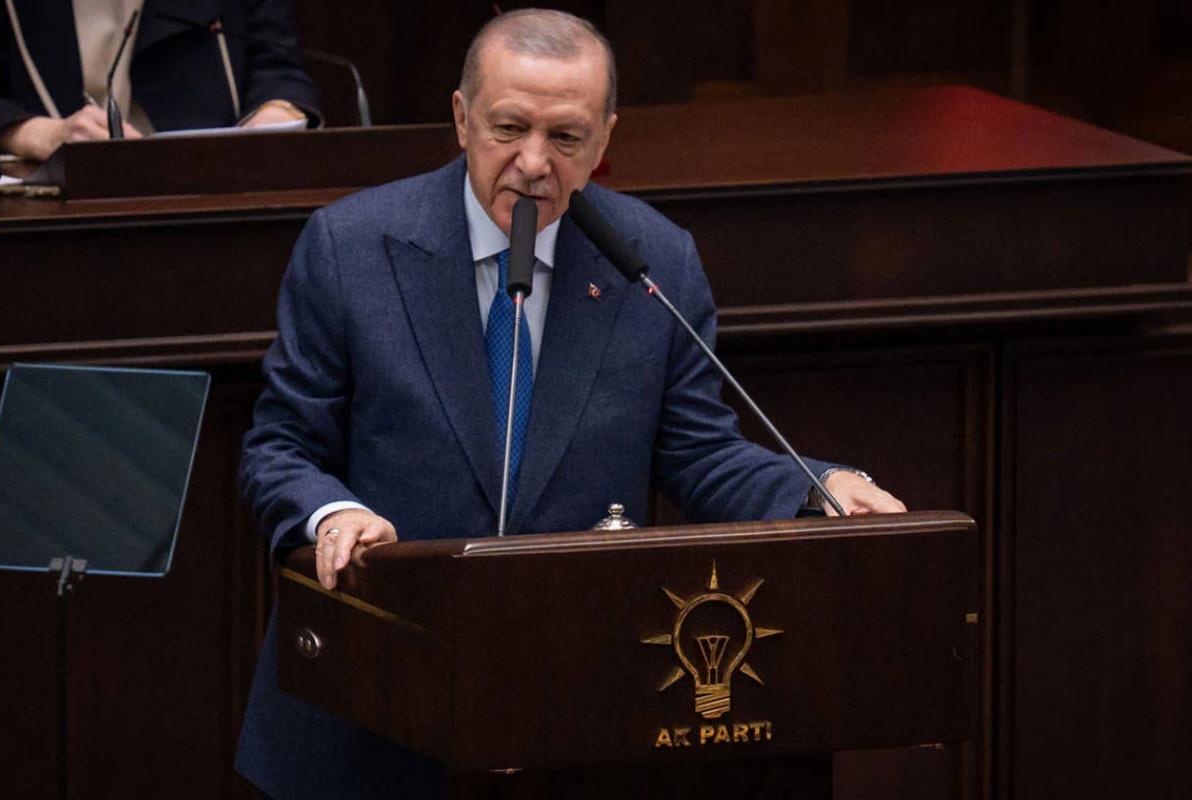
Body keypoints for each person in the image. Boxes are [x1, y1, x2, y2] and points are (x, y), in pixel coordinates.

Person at [236, 9, 905, 798]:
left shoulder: (653, 260)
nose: (532, 164)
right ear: (460, 118)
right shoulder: (351, 247)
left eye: (566, 138)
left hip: (568, 709)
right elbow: (279, 448)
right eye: (509, 128)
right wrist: (331, 514)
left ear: (606, 136)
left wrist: (813, 488)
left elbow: (697, 450)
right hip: (372, 706)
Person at [0, 0, 321, 161]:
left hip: (199, 195)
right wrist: (41, 135)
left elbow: (278, 64)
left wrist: (277, 114)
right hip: (51, 212)